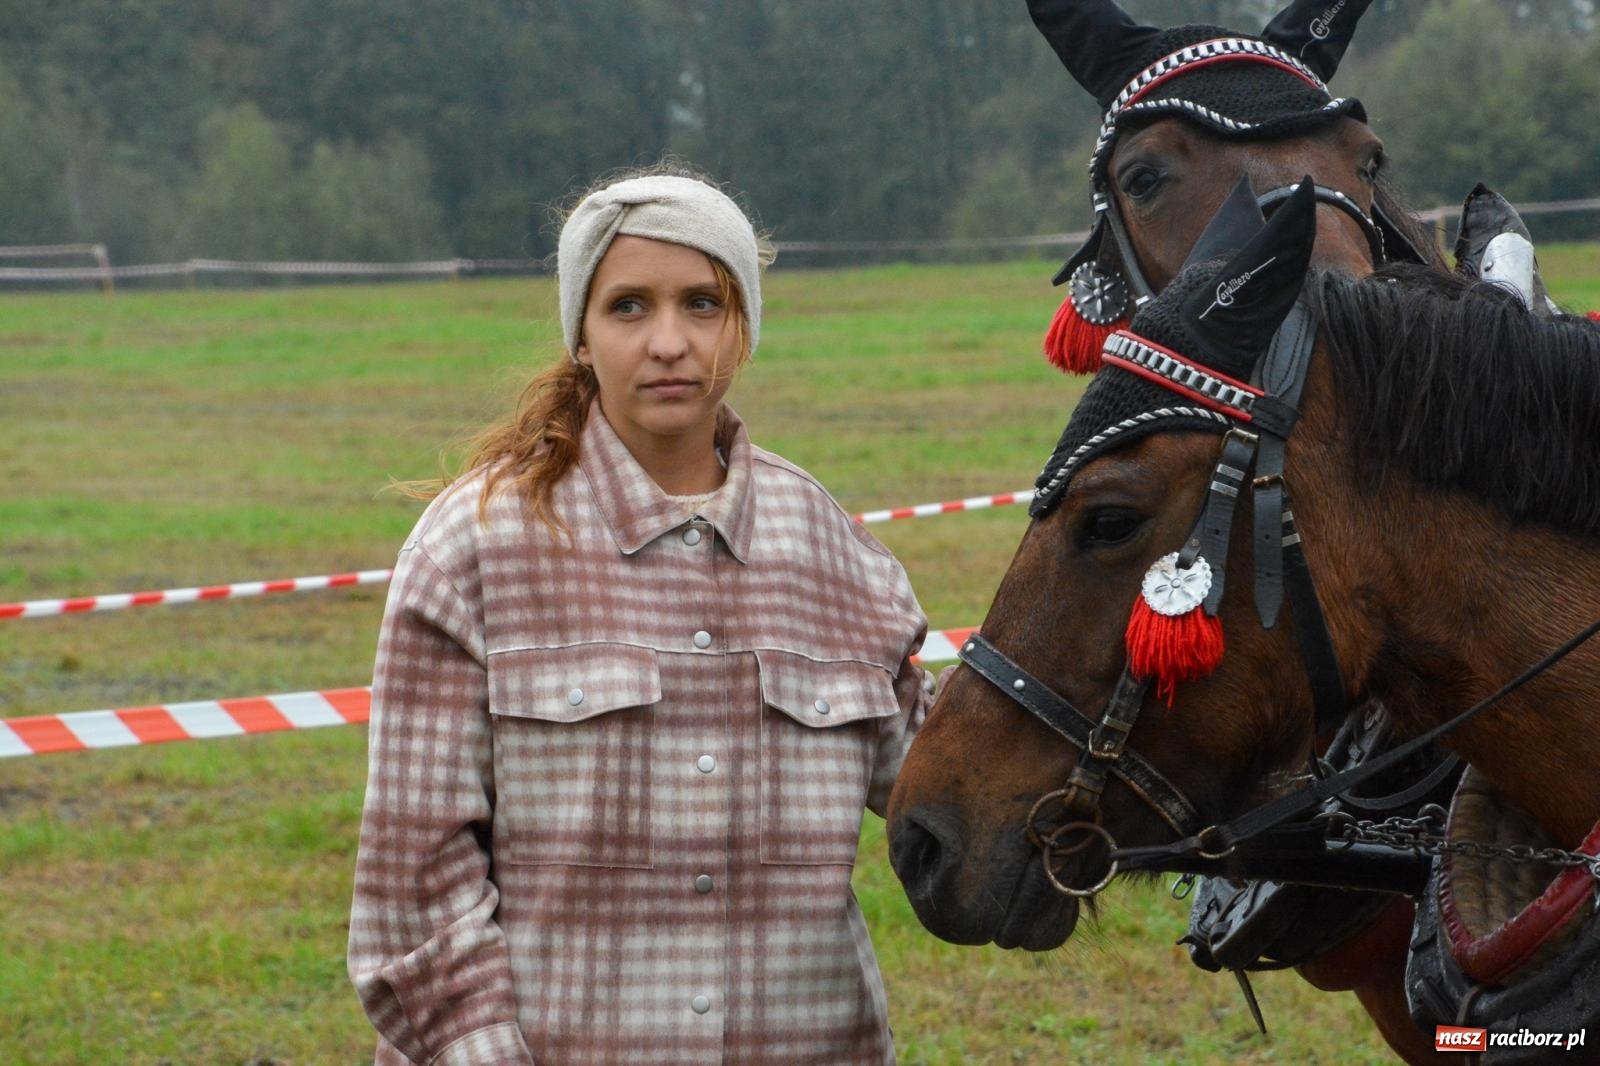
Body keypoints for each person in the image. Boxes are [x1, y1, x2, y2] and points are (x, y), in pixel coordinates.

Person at [347, 163, 931, 1065]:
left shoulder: (838, 556)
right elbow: (414, 892)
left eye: (703, 304)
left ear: (744, 329)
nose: (669, 342)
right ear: (580, 334)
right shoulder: (472, 550)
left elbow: (951, 801)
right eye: (628, 307)